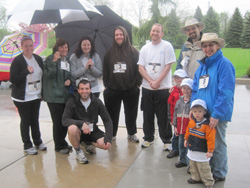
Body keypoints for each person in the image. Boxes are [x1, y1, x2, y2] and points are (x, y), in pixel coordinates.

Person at [192, 33, 235, 182]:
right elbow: (195, 90)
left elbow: (226, 92)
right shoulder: (202, 67)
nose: (208, 48)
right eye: (205, 45)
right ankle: (208, 168)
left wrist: (216, 114)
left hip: (217, 114)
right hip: (203, 114)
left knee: (217, 144)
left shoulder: (225, 65)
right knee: (206, 143)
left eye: (211, 45)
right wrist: (194, 110)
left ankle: (219, 172)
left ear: (217, 46)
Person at [137, 23, 176, 150]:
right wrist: (150, 81)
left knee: (163, 115)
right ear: (150, 32)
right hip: (147, 88)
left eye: (158, 31)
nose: (155, 33)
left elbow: (168, 66)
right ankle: (148, 138)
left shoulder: (167, 46)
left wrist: (158, 81)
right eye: (153, 31)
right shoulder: (145, 48)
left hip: (163, 88)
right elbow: (141, 67)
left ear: (162, 33)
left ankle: (167, 140)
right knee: (147, 114)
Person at [103, 26, 141, 142]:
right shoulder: (109, 52)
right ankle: (112, 134)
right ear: (114, 37)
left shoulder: (134, 51)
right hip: (113, 89)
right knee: (112, 114)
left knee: (131, 113)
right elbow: (105, 69)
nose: (119, 37)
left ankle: (131, 133)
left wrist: (137, 84)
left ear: (125, 36)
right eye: (116, 35)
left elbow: (139, 68)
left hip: (131, 89)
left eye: (121, 34)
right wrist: (106, 85)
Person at [9, 36, 46, 155]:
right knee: (25, 121)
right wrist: (26, 71)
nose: (29, 48)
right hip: (22, 97)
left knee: (35, 119)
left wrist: (43, 93)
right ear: (22, 47)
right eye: (26, 46)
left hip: (35, 95)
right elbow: (13, 79)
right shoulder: (17, 61)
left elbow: (42, 76)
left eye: (31, 45)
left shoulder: (38, 59)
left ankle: (38, 141)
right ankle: (27, 144)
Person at [62, 79, 113, 164]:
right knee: (71, 129)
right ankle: (78, 151)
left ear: (90, 90)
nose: (84, 91)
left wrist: (108, 138)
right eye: (82, 89)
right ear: (78, 90)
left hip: (92, 130)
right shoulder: (72, 102)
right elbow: (64, 120)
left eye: (86, 88)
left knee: (106, 145)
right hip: (79, 130)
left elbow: (107, 120)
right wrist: (81, 123)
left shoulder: (97, 102)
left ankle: (88, 143)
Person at [43, 38, 74, 154]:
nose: (64, 49)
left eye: (66, 47)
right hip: (54, 96)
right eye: (62, 47)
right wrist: (54, 61)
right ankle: (59, 145)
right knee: (57, 122)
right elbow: (49, 75)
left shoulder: (66, 60)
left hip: (65, 96)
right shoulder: (50, 59)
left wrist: (70, 81)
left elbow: (70, 75)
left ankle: (63, 142)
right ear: (57, 48)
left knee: (64, 121)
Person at [184, 99, 216, 188]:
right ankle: (195, 177)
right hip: (192, 149)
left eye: (200, 111)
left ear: (204, 112)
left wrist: (210, 150)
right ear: (191, 112)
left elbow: (211, 139)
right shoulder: (192, 122)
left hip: (202, 151)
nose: (197, 113)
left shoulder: (207, 125)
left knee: (204, 167)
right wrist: (186, 139)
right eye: (194, 111)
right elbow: (188, 132)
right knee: (193, 165)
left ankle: (208, 182)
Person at [167, 69, 188, 158]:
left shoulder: (188, 90)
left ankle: (184, 152)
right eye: (177, 78)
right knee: (176, 133)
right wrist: (171, 118)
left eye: (181, 78)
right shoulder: (174, 90)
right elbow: (170, 105)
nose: (179, 80)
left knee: (185, 134)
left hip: (185, 117)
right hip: (176, 117)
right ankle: (175, 149)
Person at [173, 78, 193, 168]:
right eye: (184, 88)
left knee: (189, 147)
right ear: (181, 89)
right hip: (180, 129)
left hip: (189, 130)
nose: (186, 90)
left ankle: (190, 165)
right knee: (181, 145)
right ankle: (182, 160)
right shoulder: (178, 102)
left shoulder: (192, 102)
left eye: (188, 88)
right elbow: (175, 114)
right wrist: (175, 126)